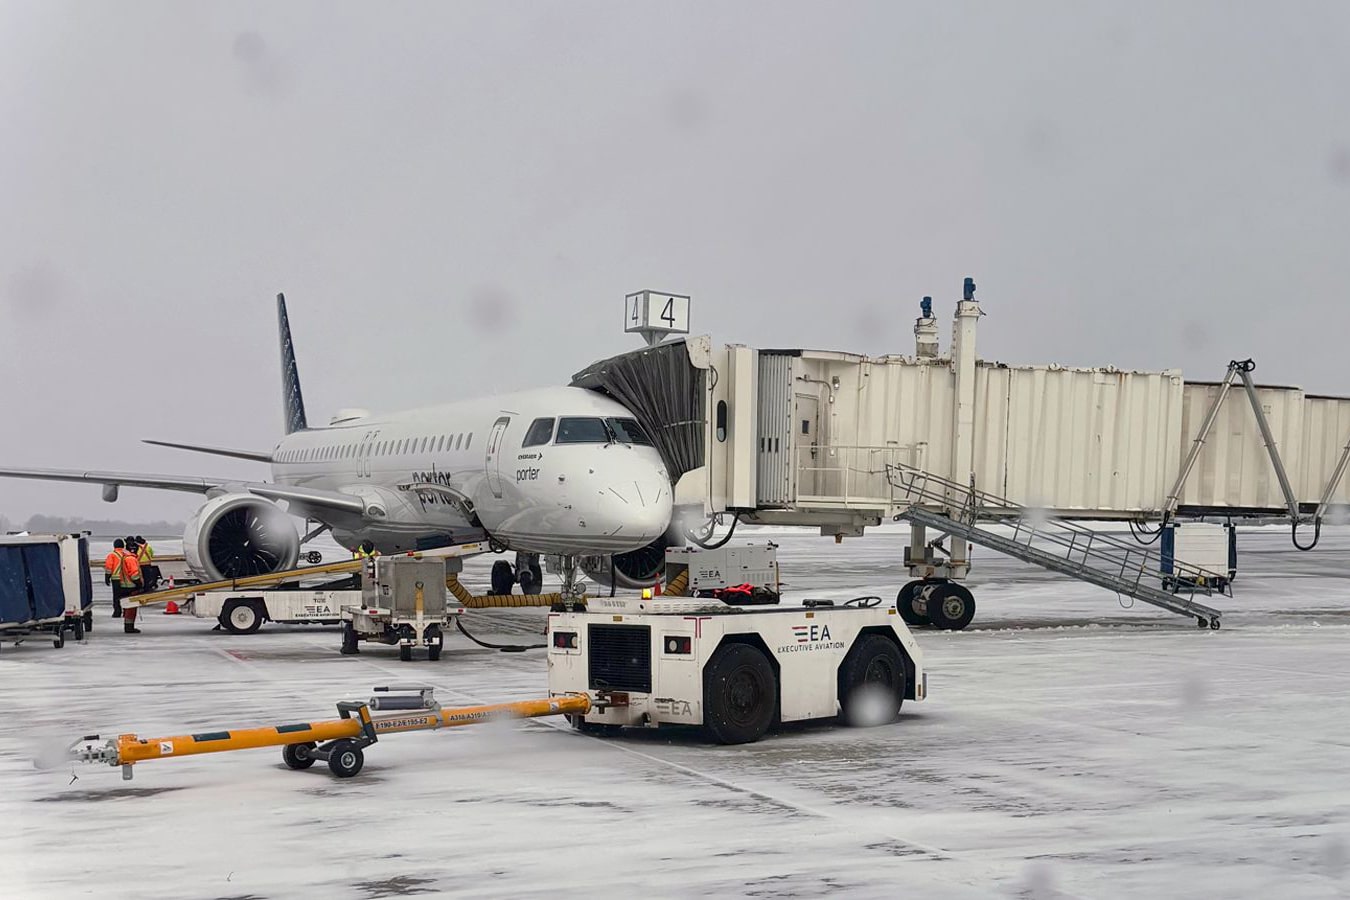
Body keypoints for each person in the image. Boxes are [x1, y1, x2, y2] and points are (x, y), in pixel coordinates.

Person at [107, 539, 144, 633]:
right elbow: (134, 574)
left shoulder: (115, 555)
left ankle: (118, 613)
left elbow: (108, 566)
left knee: (118, 599)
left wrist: (107, 577)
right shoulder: (130, 558)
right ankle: (129, 626)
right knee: (131, 606)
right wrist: (139, 584)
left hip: (118, 581)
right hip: (130, 584)